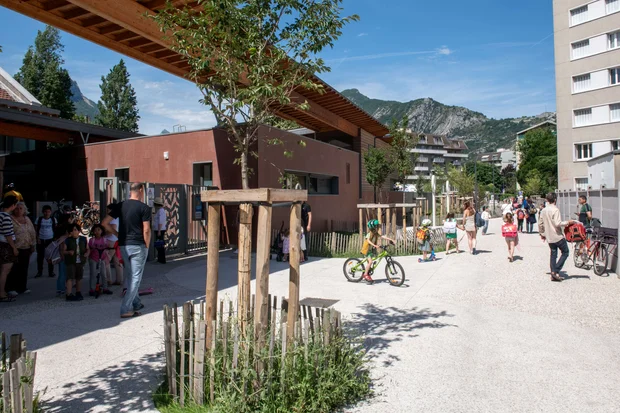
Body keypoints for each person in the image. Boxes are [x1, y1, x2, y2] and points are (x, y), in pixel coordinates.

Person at [103, 182, 152, 318]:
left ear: (130, 191)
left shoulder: (121, 205)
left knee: (130, 275)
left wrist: (118, 234)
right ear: (141, 190)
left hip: (124, 244)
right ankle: (125, 308)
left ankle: (136, 303)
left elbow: (104, 223)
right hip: (138, 245)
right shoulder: (144, 208)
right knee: (136, 277)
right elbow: (146, 230)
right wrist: (146, 245)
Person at [539, 193, 575, 282]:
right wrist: (568, 222)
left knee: (553, 254)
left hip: (549, 236)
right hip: (557, 235)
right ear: (555, 200)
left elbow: (540, 223)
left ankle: (553, 272)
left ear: (547, 200)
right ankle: (556, 270)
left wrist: (542, 234)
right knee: (565, 252)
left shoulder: (543, 210)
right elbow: (557, 223)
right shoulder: (555, 210)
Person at [6, 202, 36, 296]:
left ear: (24, 210)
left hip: (26, 247)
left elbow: (32, 232)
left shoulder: (27, 219)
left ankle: (22, 287)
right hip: (15, 247)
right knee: (13, 269)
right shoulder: (10, 219)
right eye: (17, 208)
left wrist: (33, 244)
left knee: (24, 268)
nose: (18, 210)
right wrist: (13, 248)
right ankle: (11, 288)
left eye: (21, 209)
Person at [360, 219, 394, 284]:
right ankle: (365, 274)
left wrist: (390, 239)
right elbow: (368, 241)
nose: (377, 227)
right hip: (366, 250)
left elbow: (381, 237)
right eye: (376, 226)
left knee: (371, 262)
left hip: (370, 250)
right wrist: (374, 245)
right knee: (370, 262)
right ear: (373, 227)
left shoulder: (375, 233)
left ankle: (368, 273)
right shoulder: (369, 234)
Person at [61, 224, 88, 301]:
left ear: (79, 231)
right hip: (71, 261)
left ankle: (78, 292)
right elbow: (63, 251)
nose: (74, 232)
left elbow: (87, 248)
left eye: (75, 230)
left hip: (80, 261)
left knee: (79, 277)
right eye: (72, 230)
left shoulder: (83, 239)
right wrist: (69, 252)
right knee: (70, 277)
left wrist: (87, 253)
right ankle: (68, 294)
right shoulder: (68, 240)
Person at [0, 196, 19, 302]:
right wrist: (14, 248)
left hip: (2, 244)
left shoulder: (1, 215)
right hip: (6, 245)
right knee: (5, 270)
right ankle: (2, 293)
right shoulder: (6, 217)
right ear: (12, 205)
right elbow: (8, 234)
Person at [88, 224, 113, 297]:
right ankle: (92, 289)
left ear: (102, 231)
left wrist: (107, 250)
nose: (97, 232)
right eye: (95, 230)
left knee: (103, 274)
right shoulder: (91, 240)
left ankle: (105, 288)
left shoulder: (105, 240)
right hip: (93, 258)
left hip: (102, 258)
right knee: (93, 274)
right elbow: (89, 248)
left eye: (99, 230)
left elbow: (108, 247)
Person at [35, 205, 57, 278]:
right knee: (40, 257)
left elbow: (56, 229)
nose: (47, 213)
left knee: (50, 256)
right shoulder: (39, 219)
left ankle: (51, 272)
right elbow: (36, 229)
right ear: (43, 212)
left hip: (50, 239)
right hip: (41, 239)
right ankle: (39, 272)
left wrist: (55, 239)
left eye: (48, 212)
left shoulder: (53, 219)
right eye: (45, 212)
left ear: (50, 212)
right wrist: (37, 238)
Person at [104, 204, 123, 286]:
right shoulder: (118, 218)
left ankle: (108, 280)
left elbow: (113, 228)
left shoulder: (112, 219)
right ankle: (119, 279)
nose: (107, 212)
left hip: (111, 240)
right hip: (116, 241)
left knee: (106, 261)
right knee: (117, 260)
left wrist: (104, 233)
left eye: (108, 210)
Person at [153, 197, 167, 264]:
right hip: (159, 229)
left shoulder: (161, 211)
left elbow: (160, 222)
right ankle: (160, 259)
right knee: (159, 244)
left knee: (160, 245)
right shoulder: (160, 211)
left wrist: (159, 231)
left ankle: (161, 259)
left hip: (160, 230)